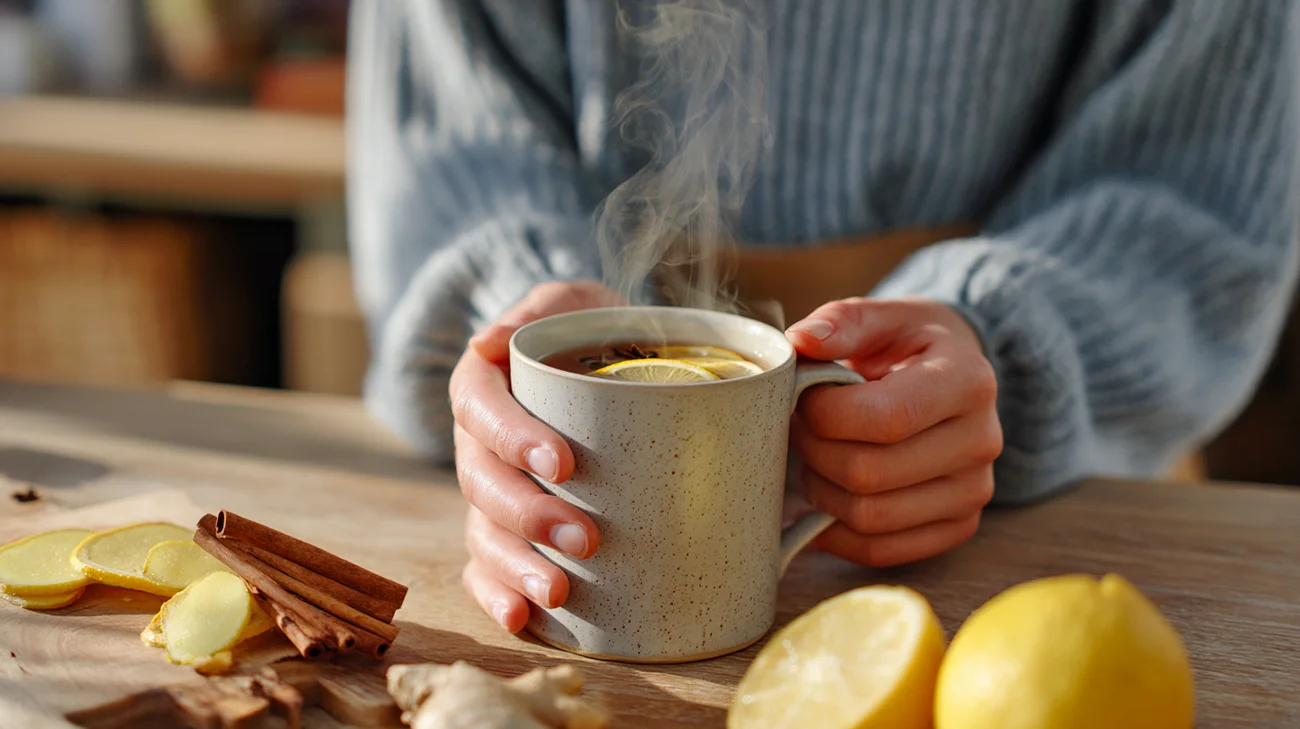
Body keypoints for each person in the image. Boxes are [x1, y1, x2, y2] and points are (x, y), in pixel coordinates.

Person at [345, 0, 1300, 633]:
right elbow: (449, 114)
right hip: (554, 561)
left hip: (1026, 552)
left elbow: (1202, 180)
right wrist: (518, 324)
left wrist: (1008, 335)